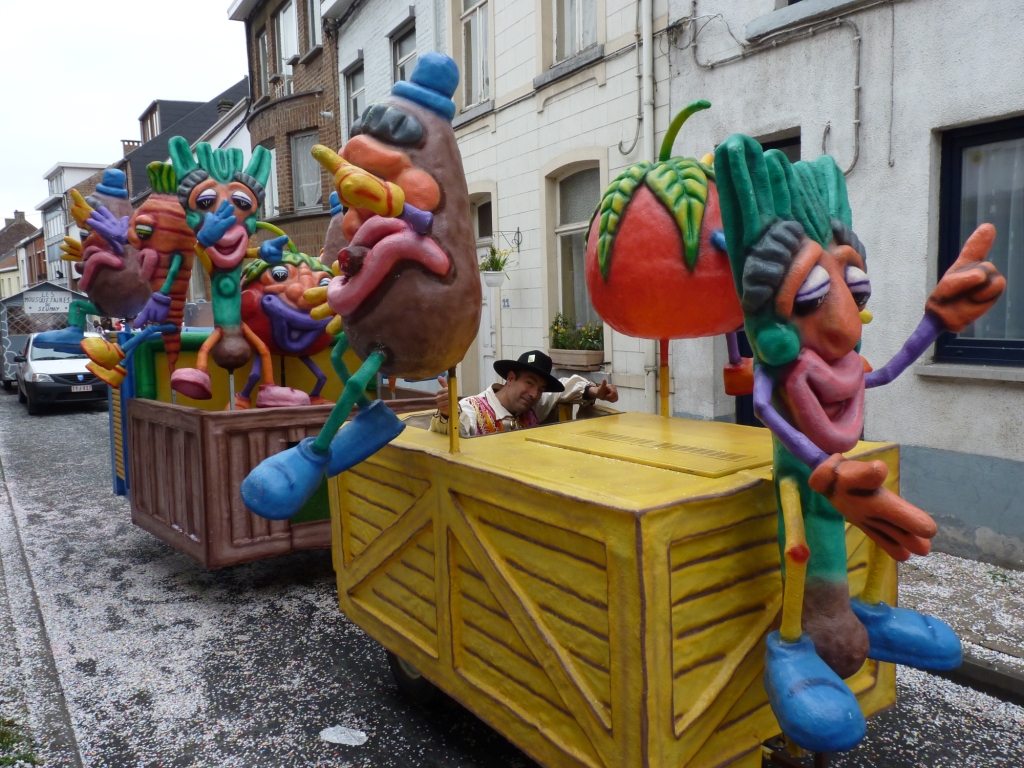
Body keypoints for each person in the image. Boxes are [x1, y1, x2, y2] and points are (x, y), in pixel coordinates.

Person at [430, 350, 618, 437]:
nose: (534, 394)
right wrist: (447, 413)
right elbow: (456, 431)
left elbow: (564, 388)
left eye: (541, 389)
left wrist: (595, 391)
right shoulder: (472, 408)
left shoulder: (533, 406)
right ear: (511, 378)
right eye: (529, 383)